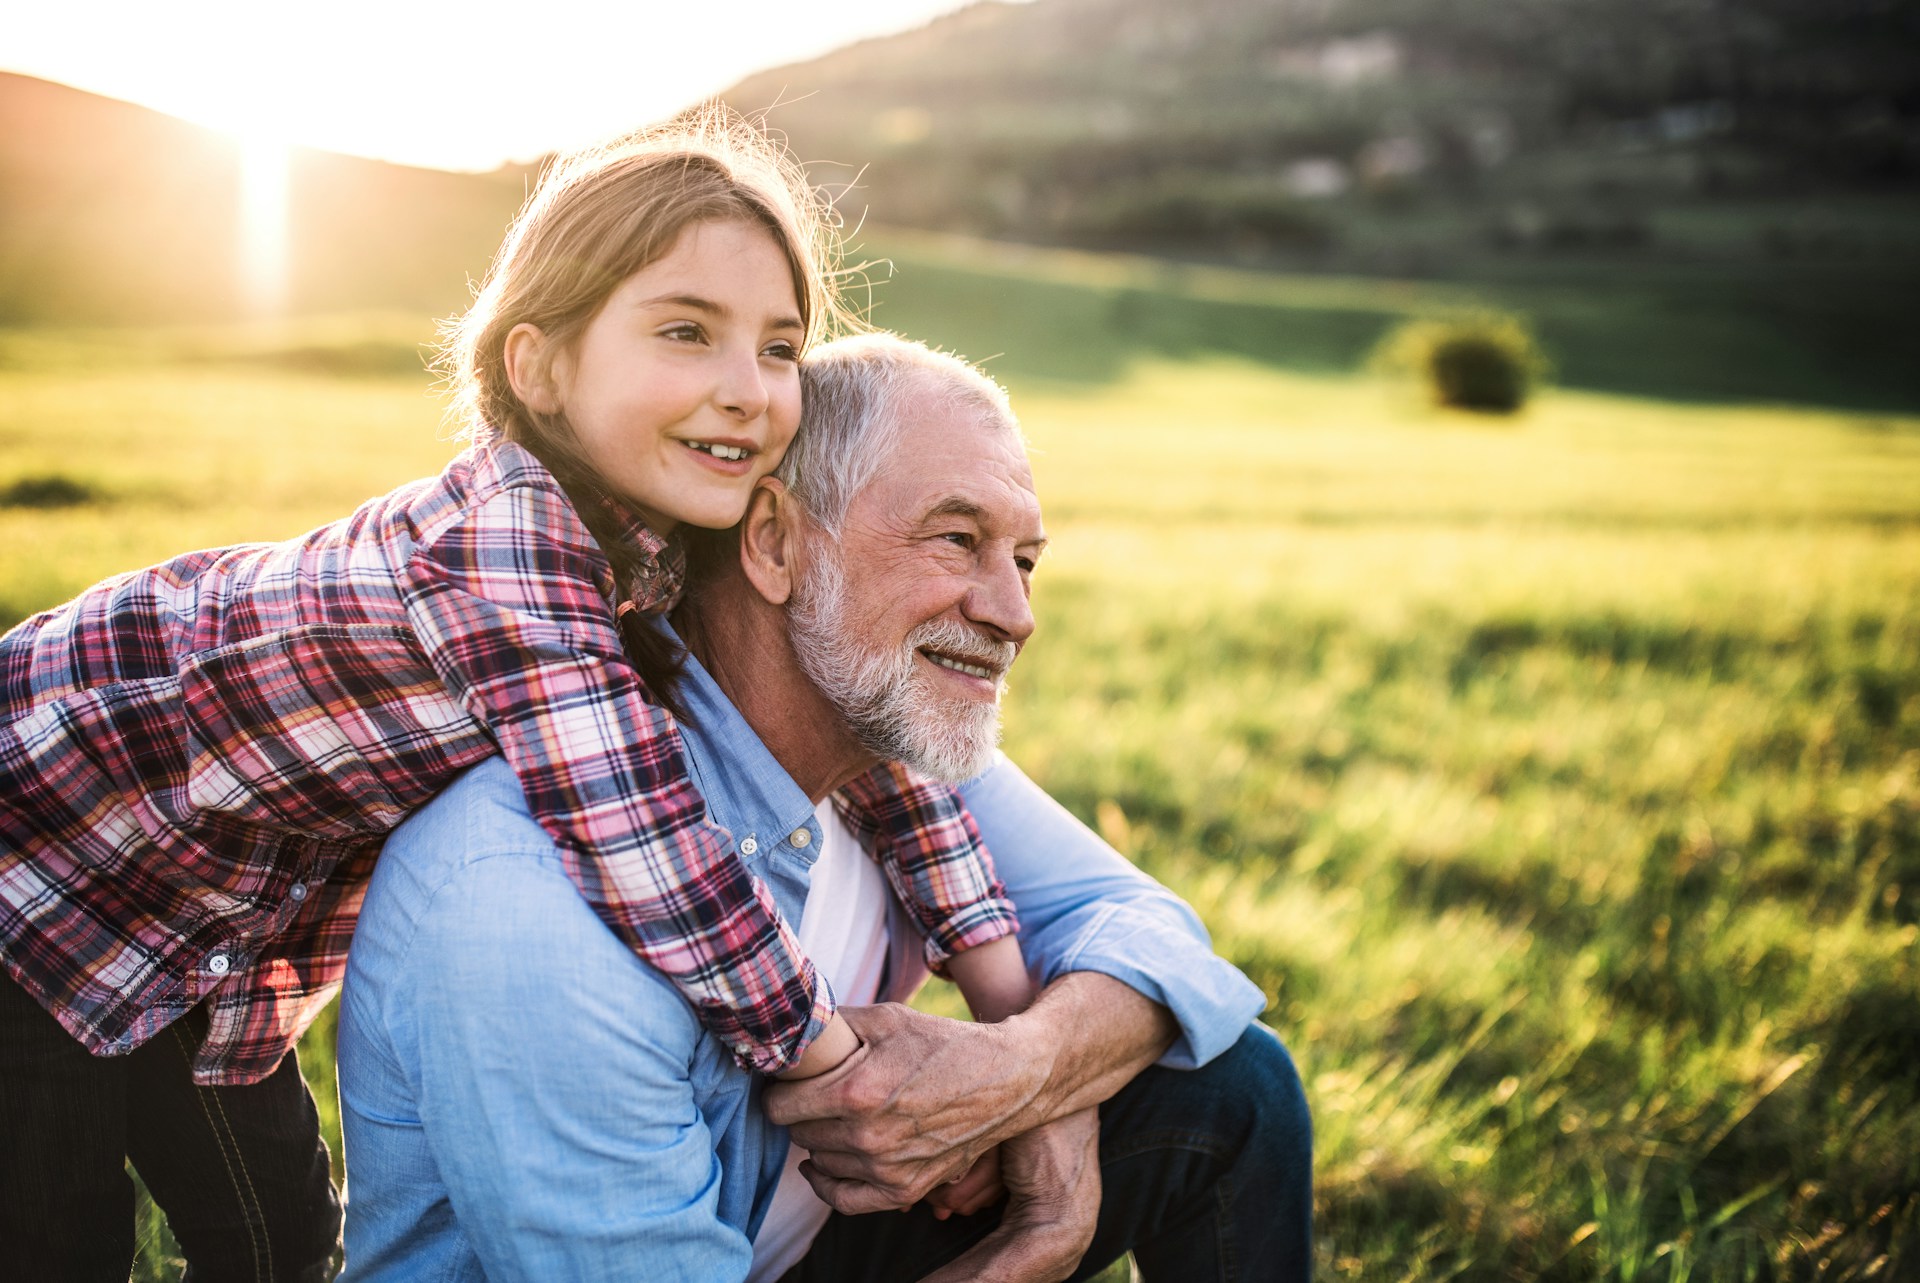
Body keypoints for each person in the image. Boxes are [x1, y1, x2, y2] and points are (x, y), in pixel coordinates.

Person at [0, 113, 1030, 1281]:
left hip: (214, 922)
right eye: (688, 331)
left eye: (781, 347)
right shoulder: (505, 549)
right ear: (538, 368)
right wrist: (840, 1063)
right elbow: (643, 840)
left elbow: (867, 723)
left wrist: (999, 979)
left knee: (279, 1238)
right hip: (44, 864)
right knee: (52, 1236)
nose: (748, 390)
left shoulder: (663, 522)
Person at [338, 334, 1314, 1282]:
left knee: (1236, 1087)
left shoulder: (890, 744)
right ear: (773, 541)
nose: (1016, 612)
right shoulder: (529, 893)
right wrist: (1016, 1247)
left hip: (797, 1244)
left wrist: (1020, 1073)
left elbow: (1172, 946)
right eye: (959, 537)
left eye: (1025, 559)